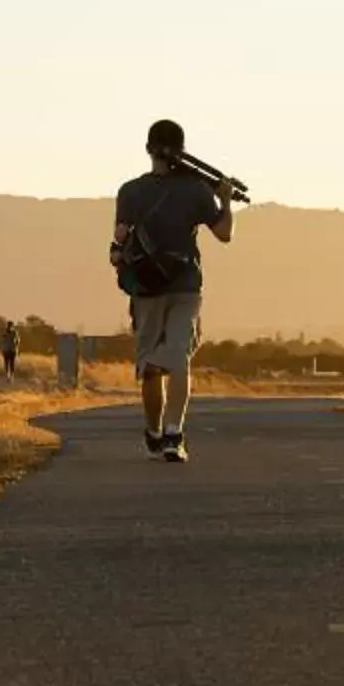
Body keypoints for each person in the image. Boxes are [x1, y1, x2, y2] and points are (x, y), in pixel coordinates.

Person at [110, 120, 234, 460]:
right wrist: (224, 201)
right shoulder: (197, 189)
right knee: (175, 360)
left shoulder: (131, 191)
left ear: (149, 148)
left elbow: (119, 239)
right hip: (183, 285)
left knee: (155, 365)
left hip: (150, 288)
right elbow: (224, 233)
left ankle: (163, 433)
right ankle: (167, 434)